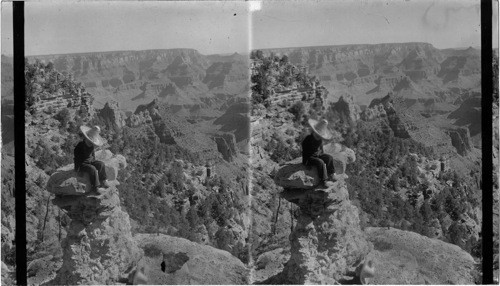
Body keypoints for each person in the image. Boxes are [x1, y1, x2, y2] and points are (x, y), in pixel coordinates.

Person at [74, 125, 110, 194]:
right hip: (83, 164)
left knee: (101, 164)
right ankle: (95, 187)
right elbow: (76, 157)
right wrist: (77, 169)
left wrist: (94, 161)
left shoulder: (91, 145)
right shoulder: (80, 145)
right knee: (92, 169)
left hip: (90, 161)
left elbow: (93, 155)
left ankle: (103, 180)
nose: (91, 143)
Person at [302, 118, 335, 187]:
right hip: (309, 158)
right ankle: (324, 181)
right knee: (320, 162)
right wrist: (308, 159)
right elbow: (305, 150)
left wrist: (322, 155)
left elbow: (321, 150)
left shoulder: (319, 140)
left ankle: (331, 173)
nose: (319, 136)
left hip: (317, 155)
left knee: (329, 158)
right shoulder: (308, 139)